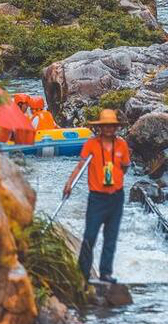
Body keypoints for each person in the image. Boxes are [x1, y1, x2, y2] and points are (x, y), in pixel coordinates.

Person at [64, 109, 130, 285]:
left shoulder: (122, 145)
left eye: (112, 125)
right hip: (97, 198)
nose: (109, 128)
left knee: (111, 236)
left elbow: (125, 166)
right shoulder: (91, 145)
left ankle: (105, 273)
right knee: (90, 236)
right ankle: (82, 273)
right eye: (105, 125)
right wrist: (69, 184)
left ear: (116, 127)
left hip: (116, 197)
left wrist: (115, 177)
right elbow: (80, 167)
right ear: (100, 127)